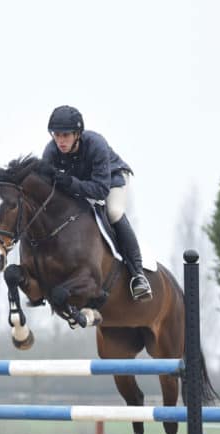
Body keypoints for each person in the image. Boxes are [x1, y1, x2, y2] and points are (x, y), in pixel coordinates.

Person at [42, 105, 152, 300]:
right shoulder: (51, 152)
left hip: (112, 180)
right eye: (56, 135)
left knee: (114, 212)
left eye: (66, 135)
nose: (60, 141)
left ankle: (138, 276)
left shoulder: (96, 144)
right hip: (81, 188)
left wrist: (70, 182)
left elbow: (100, 190)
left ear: (77, 134)